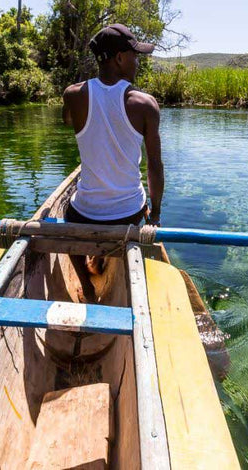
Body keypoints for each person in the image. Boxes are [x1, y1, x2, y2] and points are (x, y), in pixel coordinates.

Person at [62, 24, 164, 298]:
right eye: (135, 55)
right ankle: (114, 258)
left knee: (65, 212)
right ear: (119, 58)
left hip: (85, 214)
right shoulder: (145, 104)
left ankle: (85, 284)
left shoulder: (73, 94)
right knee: (139, 197)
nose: (138, 61)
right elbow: (154, 165)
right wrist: (154, 215)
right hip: (129, 213)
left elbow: (68, 120)